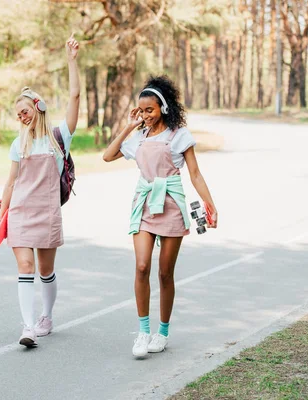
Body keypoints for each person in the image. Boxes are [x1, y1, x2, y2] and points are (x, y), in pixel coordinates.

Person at [102, 75, 218, 357]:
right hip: (144, 204)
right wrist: (129, 126)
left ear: (163, 108)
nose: (145, 116)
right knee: (142, 267)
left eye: (149, 110)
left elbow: (195, 174)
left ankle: (162, 332)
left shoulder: (179, 136)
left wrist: (209, 204)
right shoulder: (138, 138)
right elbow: (108, 155)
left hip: (171, 205)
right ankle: (143, 332)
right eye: (141, 111)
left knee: (165, 273)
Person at [0, 34, 80, 348]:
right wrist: (0, 219)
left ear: (39, 107)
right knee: (25, 267)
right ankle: (28, 326)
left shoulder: (60, 137)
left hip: (47, 213)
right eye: (17, 113)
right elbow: (10, 182)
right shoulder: (17, 144)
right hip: (19, 212)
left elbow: (74, 98)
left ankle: (46, 316)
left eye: (26, 109)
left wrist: (71, 61)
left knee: (46, 271)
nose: (22, 116)